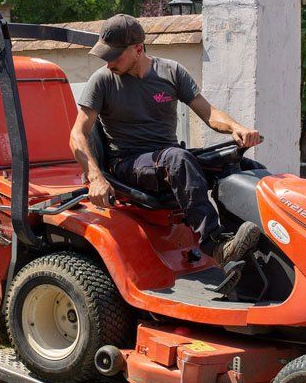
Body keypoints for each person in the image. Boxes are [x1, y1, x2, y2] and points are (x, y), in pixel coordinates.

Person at [69, 14, 263, 267]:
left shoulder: (171, 72)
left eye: (114, 56)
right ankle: (215, 245)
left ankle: (262, 239)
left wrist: (236, 128)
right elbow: (77, 134)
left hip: (168, 160)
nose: (108, 63)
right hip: (128, 163)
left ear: (138, 49)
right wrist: (95, 177)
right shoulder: (103, 81)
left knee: (240, 164)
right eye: (105, 56)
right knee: (178, 158)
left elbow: (209, 113)